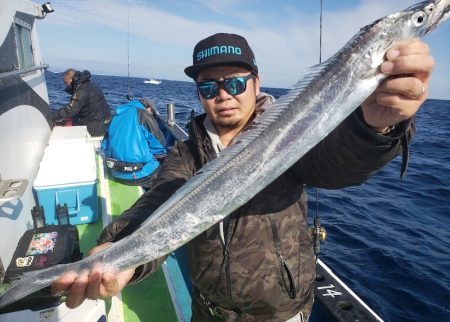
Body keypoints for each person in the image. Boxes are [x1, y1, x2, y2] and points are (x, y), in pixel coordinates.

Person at [51, 33, 434, 321]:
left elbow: (339, 165)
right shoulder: (187, 152)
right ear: (199, 94)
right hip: (209, 311)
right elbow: (159, 203)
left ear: (255, 82)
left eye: (234, 83)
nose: (223, 95)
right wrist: (119, 252)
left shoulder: (291, 137)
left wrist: (374, 129)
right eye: (208, 86)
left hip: (281, 315)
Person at [101, 98, 167, 187]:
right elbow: (159, 145)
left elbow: (104, 145)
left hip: (117, 173)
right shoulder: (143, 115)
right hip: (141, 175)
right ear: (149, 108)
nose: (152, 115)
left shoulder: (115, 115)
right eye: (152, 113)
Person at [52, 69, 112, 136]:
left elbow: (71, 110)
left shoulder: (82, 90)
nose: (67, 85)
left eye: (66, 83)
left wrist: (52, 116)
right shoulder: (88, 84)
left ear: (71, 79)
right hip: (102, 120)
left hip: (97, 125)